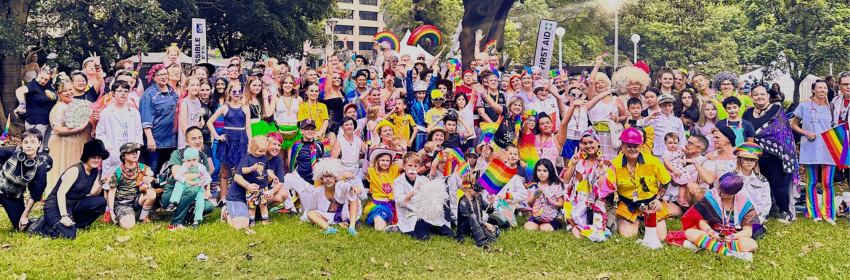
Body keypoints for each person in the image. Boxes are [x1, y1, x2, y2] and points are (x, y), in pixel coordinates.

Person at [742, 85, 797, 224]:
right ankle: (761, 209)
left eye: (762, 94)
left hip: (774, 155)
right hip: (754, 155)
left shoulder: (776, 110)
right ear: (751, 97)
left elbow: (782, 131)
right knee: (756, 182)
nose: (759, 97)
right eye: (756, 94)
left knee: (777, 182)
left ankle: (784, 211)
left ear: (767, 96)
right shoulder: (747, 113)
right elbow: (744, 131)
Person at [672, 174, 759, 262]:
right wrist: (711, 232)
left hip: (731, 238)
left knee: (751, 244)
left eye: (724, 193)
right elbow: (702, 222)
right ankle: (731, 253)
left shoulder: (745, 204)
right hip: (711, 235)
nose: (719, 193)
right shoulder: (711, 197)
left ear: (734, 193)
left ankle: (706, 245)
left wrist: (732, 237)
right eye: (718, 188)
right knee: (689, 233)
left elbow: (748, 231)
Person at [607, 127, 671, 240]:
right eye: (628, 146)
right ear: (622, 147)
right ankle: (636, 221)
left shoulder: (653, 161)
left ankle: (645, 221)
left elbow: (666, 181)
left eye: (635, 146)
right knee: (628, 237)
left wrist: (658, 199)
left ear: (640, 146)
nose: (632, 149)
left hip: (651, 203)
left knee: (660, 238)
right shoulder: (614, 165)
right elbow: (607, 188)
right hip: (628, 205)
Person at [37, 139, 108, 239]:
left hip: (74, 205)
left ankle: (75, 225)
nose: (96, 160)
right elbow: (60, 193)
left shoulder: (94, 170)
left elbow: (93, 194)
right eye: (93, 157)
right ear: (87, 156)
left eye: (99, 157)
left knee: (101, 202)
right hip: (56, 205)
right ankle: (41, 226)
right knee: (69, 236)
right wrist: (64, 216)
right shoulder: (75, 170)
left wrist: (101, 183)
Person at [791, 80, 837, 225]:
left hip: (830, 148)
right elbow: (794, 124)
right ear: (813, 90)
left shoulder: (832, 107)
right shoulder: (804, 106)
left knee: (828, 182)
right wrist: (805, 132)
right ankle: (813, 212)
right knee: (811, 182)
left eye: (825, 88)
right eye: (819, 88)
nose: (822, 90)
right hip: (811, 148)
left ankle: (828, 213)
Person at [284, 157, 362, 235]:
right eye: (325, 176)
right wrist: (304, 219)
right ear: (321, 178)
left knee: (353, 196)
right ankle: (329, 228)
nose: (328, 179)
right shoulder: (317, 191)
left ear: (335, 178)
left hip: (345, 214)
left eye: (330, 176)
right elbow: (310, 208)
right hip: (329, 217)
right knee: (310, 213)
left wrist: (353, 187)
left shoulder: (340, 185)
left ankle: (352, 228)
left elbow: (347, 186)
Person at [561, 129, 615, 241]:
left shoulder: (606, 163)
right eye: (585, 143)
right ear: (581, 144)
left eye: (591, 142)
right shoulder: (577, 159)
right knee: (576, 217)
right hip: (579, 200)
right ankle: (577, 227)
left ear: (598, 143)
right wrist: (573, 165)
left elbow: (603, 189)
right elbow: (566, 180)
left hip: (596, 201)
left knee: (599, 230)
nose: (588, 146)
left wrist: (601, 168)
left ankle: (582, 229)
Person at [161, 127, 216, 231]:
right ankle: (175, 223)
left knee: (208, 206)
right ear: (186, 141)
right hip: (173, 192)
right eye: (193, 139)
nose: (198, 141)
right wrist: (200, 175)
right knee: (193, 189)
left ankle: (186, 216)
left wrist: (207, 190)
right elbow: (178, 176)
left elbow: (207, 176)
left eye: (200, 138)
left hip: (194, 192)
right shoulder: (178, 154)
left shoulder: (202, 156)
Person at [393, 152, 455, 240]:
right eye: (410, 165)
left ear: (419, 167)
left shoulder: (423, 179)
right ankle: (411, 230)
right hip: (409, 214)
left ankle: (428, 227)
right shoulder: (398, 181)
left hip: (424, 214)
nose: (412, 169)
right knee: (423, 235)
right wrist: (415, 191)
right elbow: (400, 200)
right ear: (403, 166)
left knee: (448, 232)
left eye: (415, 166)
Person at [0, 129, 51, 231]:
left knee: (20, 227)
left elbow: (35, 194)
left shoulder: (40, 168)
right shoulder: (13, 151)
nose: (29, 146)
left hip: (12, 196)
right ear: (22, 144)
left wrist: (25, 215)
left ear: (39, 144)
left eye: (33, 142)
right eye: (26, 142)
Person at [47, 76, 92, 187]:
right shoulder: (59, 107)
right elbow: (57, 130)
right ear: (58, 93)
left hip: (77, 144)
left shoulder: (76, 103)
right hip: (63, 144)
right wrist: (78, 129)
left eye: (70, 89)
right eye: (64, 91)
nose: (68, 93)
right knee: (64, 169)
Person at [208, 84, 250, 203]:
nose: (237, 93)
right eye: (234, 91)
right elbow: (209, 122)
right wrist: (217, 136)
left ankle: (237, 197)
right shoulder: (224, 108)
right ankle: (223, 199)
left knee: (239, 173)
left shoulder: (245, 108)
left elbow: (248, 128)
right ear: (229, 93)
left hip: (241, 141)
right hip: (227, 142)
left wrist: (250, 143)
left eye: (239, 91)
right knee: (225, 173)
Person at [224, 136, 272, 231]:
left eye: (263, 151)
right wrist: (248, 185)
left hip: (256, 193)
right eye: (260, 151)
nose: (262, 153)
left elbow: (268, 171)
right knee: (241, 226)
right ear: (254, 148)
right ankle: (226, 213)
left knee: (258, 206)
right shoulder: (247, 158)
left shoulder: (264, 159)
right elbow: (237, 176)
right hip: (238, 197)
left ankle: (258, 216)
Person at [140, 64, 179, 175]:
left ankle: (162, 192)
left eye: (165, 74)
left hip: (171, 139)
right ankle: (150, 192)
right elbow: (145, 119)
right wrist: (150, 139)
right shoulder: (148, 94)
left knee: (165, 172)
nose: (163, 77)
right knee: (151, 172)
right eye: (159, 75)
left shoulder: (172, 91)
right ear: (153, 77)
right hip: (156, 140)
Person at [107, 143, 156, 228]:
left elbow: (150, 176)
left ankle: (143, 217)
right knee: (128, 226)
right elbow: (111, 193)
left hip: (137, 200)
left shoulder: (142, 167)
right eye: (131, 152)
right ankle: (125, 215)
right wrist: (111, 211)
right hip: (122, 203)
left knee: (151, 193)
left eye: (136, 152)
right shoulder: (118, 172)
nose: (135, 154)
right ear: (123, 156)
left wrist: (151, 178)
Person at [166, 147, 212, 228]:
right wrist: (188, 181)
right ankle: (173, 202)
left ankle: (196, 220)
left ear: (197, 159)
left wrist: (201, 183)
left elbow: (208, 179)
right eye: (189, 160)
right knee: (178, 184)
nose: (191, 163)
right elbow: (177, 176)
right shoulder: (184, 166)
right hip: (186, 184)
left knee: (200, 201)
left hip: (198, 185)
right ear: (184, 161)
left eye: (194, 160)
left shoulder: (201, 167)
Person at [15, 67, 57, 148]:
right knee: (35, 146)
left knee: (45, 146)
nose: (43, 81)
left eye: (46, 79)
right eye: (41, 78)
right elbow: (19, 91)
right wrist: (22, 104)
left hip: (47, 121)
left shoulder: (49, 85)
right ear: (38, 75)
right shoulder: (32, 85)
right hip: (35, 122)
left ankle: (43, 160)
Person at [455, 176, 498, 249]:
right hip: (465, 229)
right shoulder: (463, 201)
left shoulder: (479, 197)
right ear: (469, 189)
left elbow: (489, 211)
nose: (479, 192)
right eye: (477, 190)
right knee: (472, 216)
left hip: (478, 225)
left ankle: (479, 235)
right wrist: (485, 224)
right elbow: (469, 218)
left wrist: (490, 203)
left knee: (494, 240)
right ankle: (481, 242)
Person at [734, 142, 771, 224]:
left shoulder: (762, 181)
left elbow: (766, 203)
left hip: (755, 217)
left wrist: (760, 218)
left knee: (754, 233)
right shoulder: (732, 178)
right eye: (746, 159)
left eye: (752, 160)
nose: (749, 162)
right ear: (740, 160)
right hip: (735, 216)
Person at [524, 159, 565, 232]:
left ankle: (555, 224)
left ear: (550, 171)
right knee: (529, 227)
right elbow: (530, 204)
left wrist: (551, 202)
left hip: (552, 217)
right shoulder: (534, 185)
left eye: (544, 171)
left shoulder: (555, 186)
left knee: (544, 229)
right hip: (537, 216)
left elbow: (562, 204)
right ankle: (539, 224)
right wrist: (535, 195)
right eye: (539, 170)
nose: (541, 173)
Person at [363, 148, 399, 231]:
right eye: (382, 160)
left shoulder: (392, 171)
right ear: (377, 161)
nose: (385, 163)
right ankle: (380, 220)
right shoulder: (373, 172)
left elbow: (405, 164)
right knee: (379, 229)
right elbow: (364, 171)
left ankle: (387, 222)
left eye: (387, 160)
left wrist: (404, 150)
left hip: (391, 205)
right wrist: (366, 154)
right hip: (378, 205)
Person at [289, 119, 325, 183]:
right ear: (301, 131)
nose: (310, 131)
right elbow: (292, 165)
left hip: (318, 181)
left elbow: (323, 162)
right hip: (302, 181)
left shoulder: (319, 144)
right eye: (307, 129)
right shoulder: (297, 145)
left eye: (312, 129)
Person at [176, 77, 205, 149]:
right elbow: (183, 126)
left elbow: (200, 118)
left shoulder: (197, 101)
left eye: (197, 85)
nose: (195, 87)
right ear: (186, 87)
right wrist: (190, 141)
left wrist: (201, 122)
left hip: (196, 139)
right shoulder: (184, 102)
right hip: (187, 141)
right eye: (192, 85)